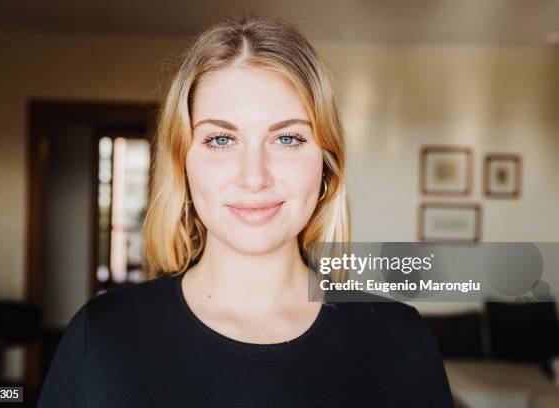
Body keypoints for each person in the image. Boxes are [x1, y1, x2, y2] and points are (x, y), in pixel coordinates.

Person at [38, 15, 454, 407]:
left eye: (287, 139)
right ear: (183, 163)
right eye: (221, 140)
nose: (254, 177)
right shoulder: (102, 336)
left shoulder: (400, 341)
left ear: (326, 165)